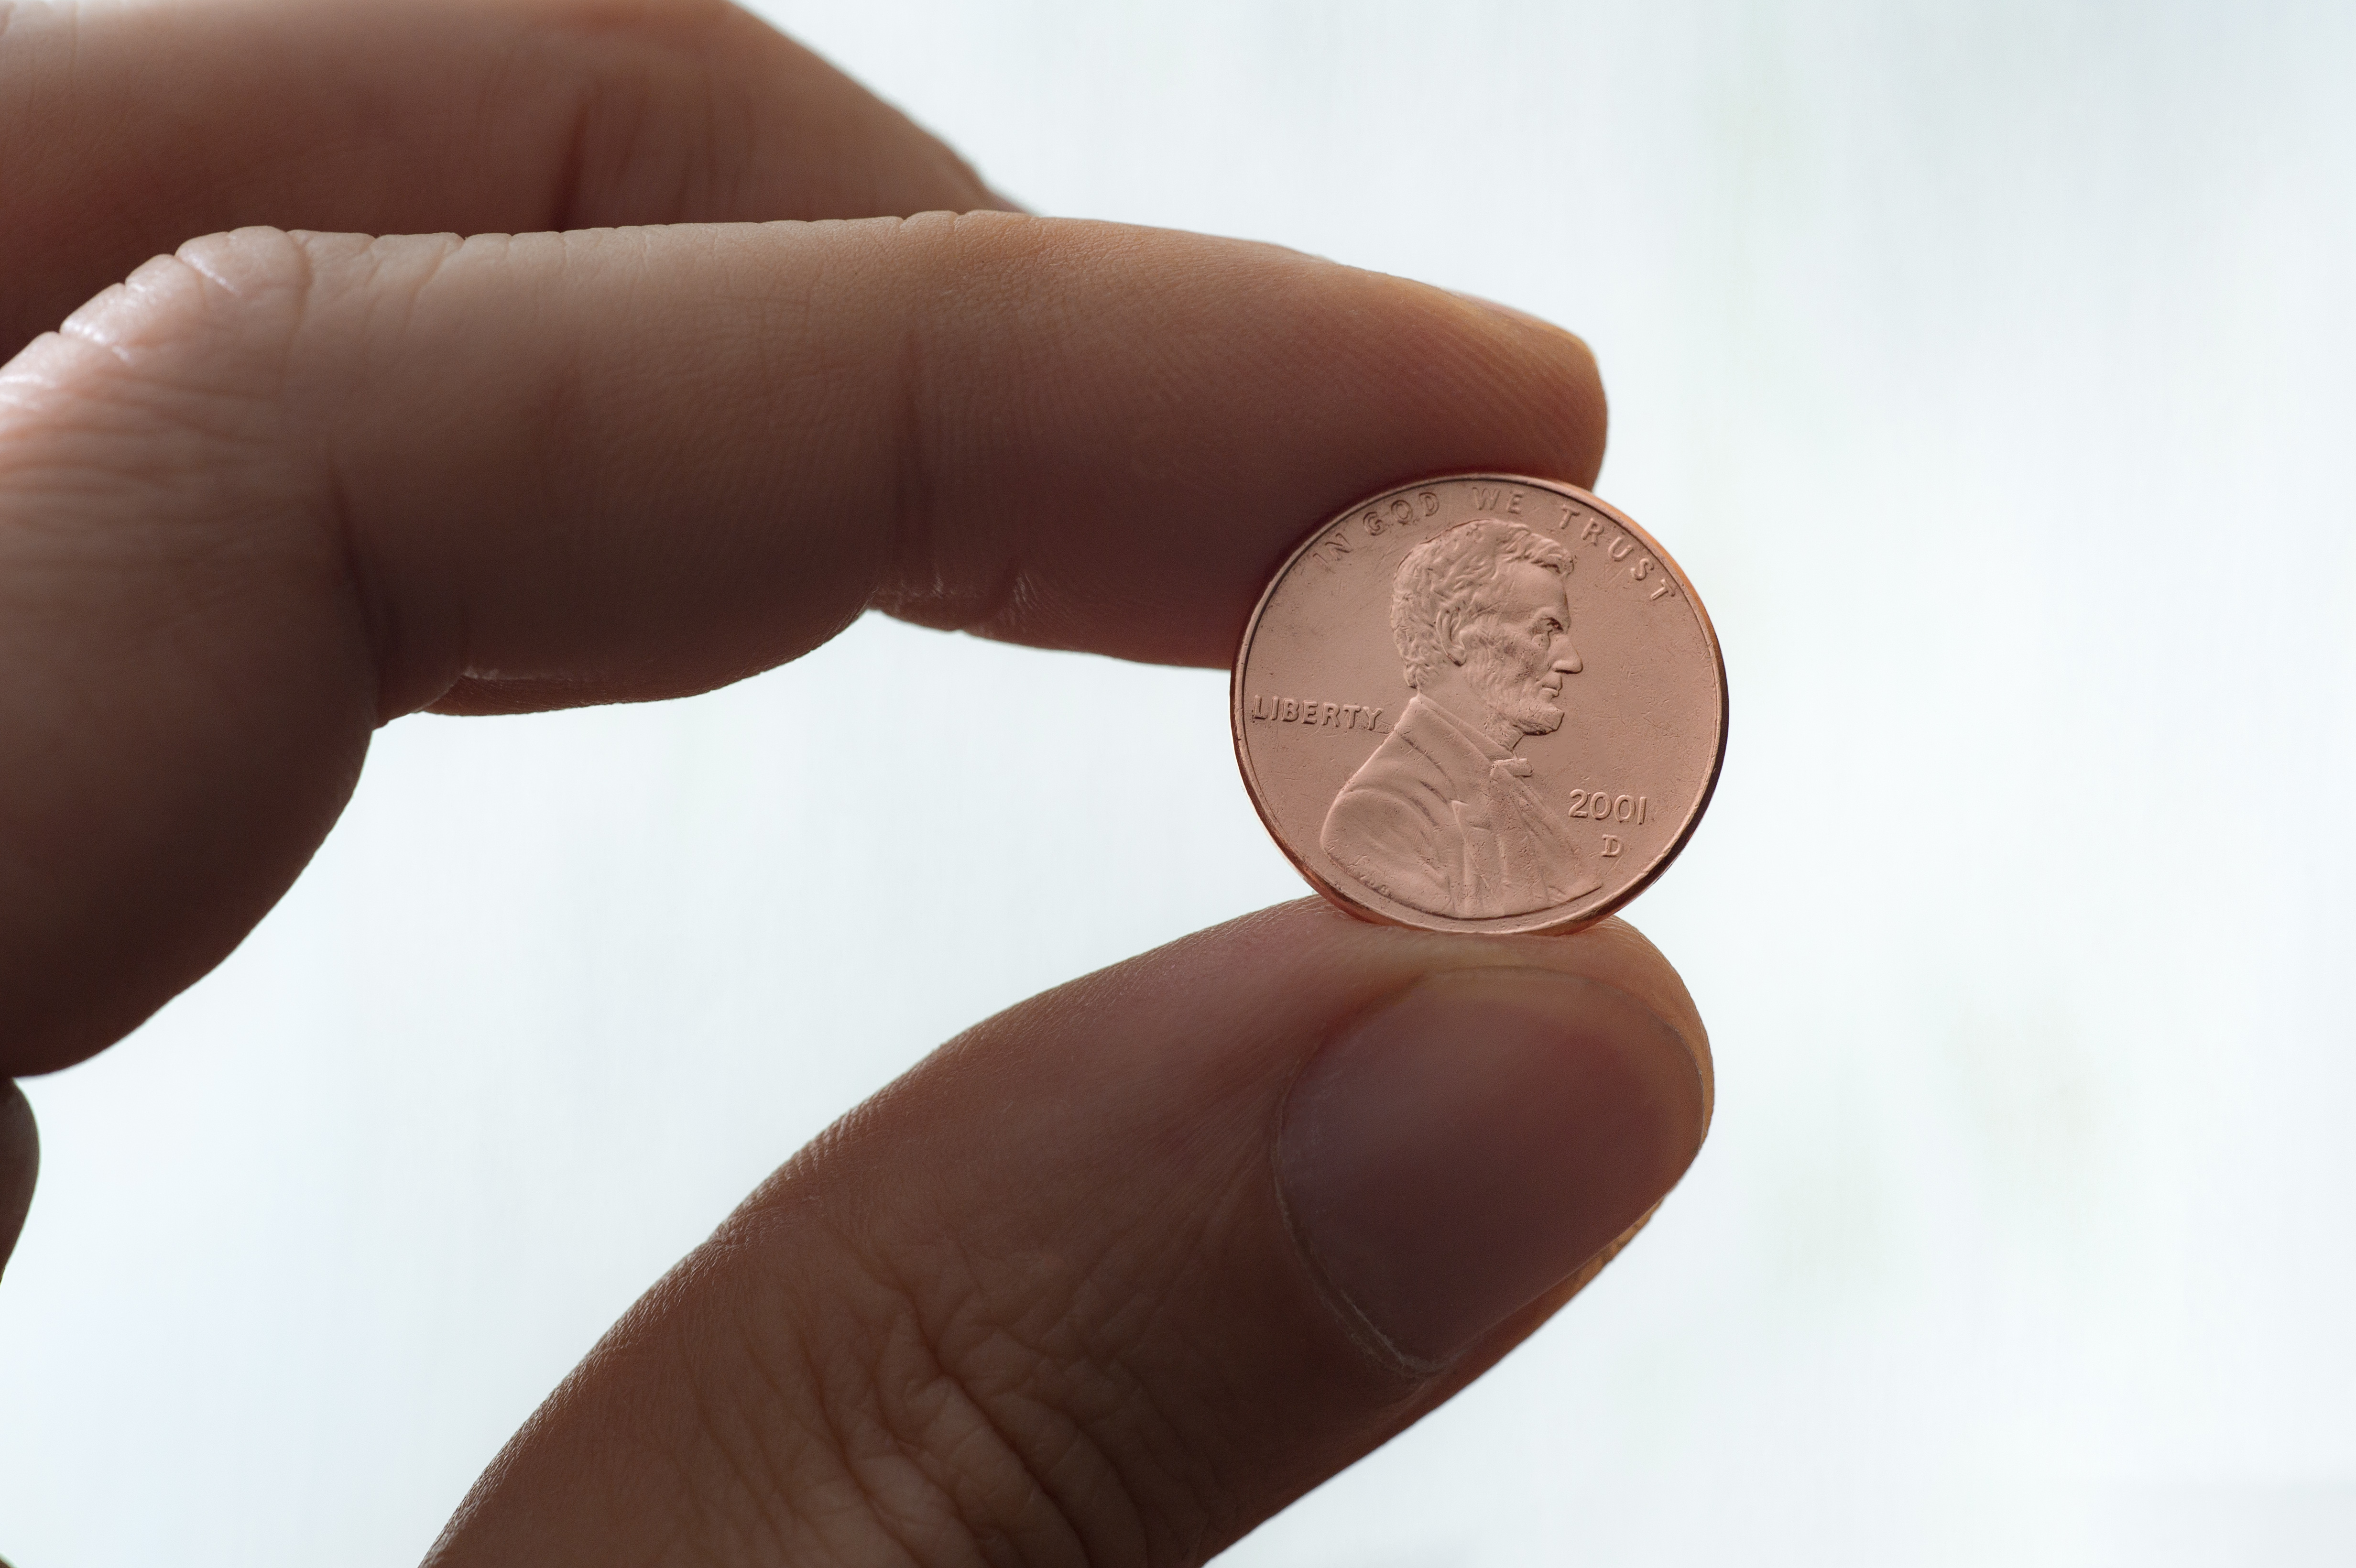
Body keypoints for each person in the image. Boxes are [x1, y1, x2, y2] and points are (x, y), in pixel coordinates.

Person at [0, 1, 1711, 1562]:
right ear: (1443, 653)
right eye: (1533, 638)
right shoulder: (1401, 819)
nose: (1566, 670)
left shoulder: (1493, 814)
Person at [1323, 518, 1601, 918]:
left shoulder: (1508, 788)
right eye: (1546, 630)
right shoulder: (1377, 812)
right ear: (1455, 634)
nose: (1572, 662)